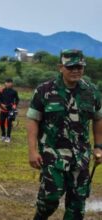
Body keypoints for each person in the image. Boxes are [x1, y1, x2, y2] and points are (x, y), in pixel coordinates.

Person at [27, 49, 102, 220]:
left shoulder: (91, 92)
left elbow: (98, 119)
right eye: (71, 66)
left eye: (79, 66)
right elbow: (33, 120)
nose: (76, 70)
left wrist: (99, 147)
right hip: (53, 155)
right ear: (60, 67)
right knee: (49, 199)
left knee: (77, 205)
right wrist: (32, 151)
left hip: (81, 156)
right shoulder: (45, 90)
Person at [0, 78, 19, 143]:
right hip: (3, 110)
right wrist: (1, 104)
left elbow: (17, 99)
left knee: (9, 124)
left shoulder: (14, 91)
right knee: (1, 123)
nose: (7, 83)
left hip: (10, 111)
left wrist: (15, 105)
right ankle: (3, 136)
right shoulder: (2, 90)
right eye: (6, 82)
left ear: (11, 83)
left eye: (8, 82)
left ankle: (8, 137)